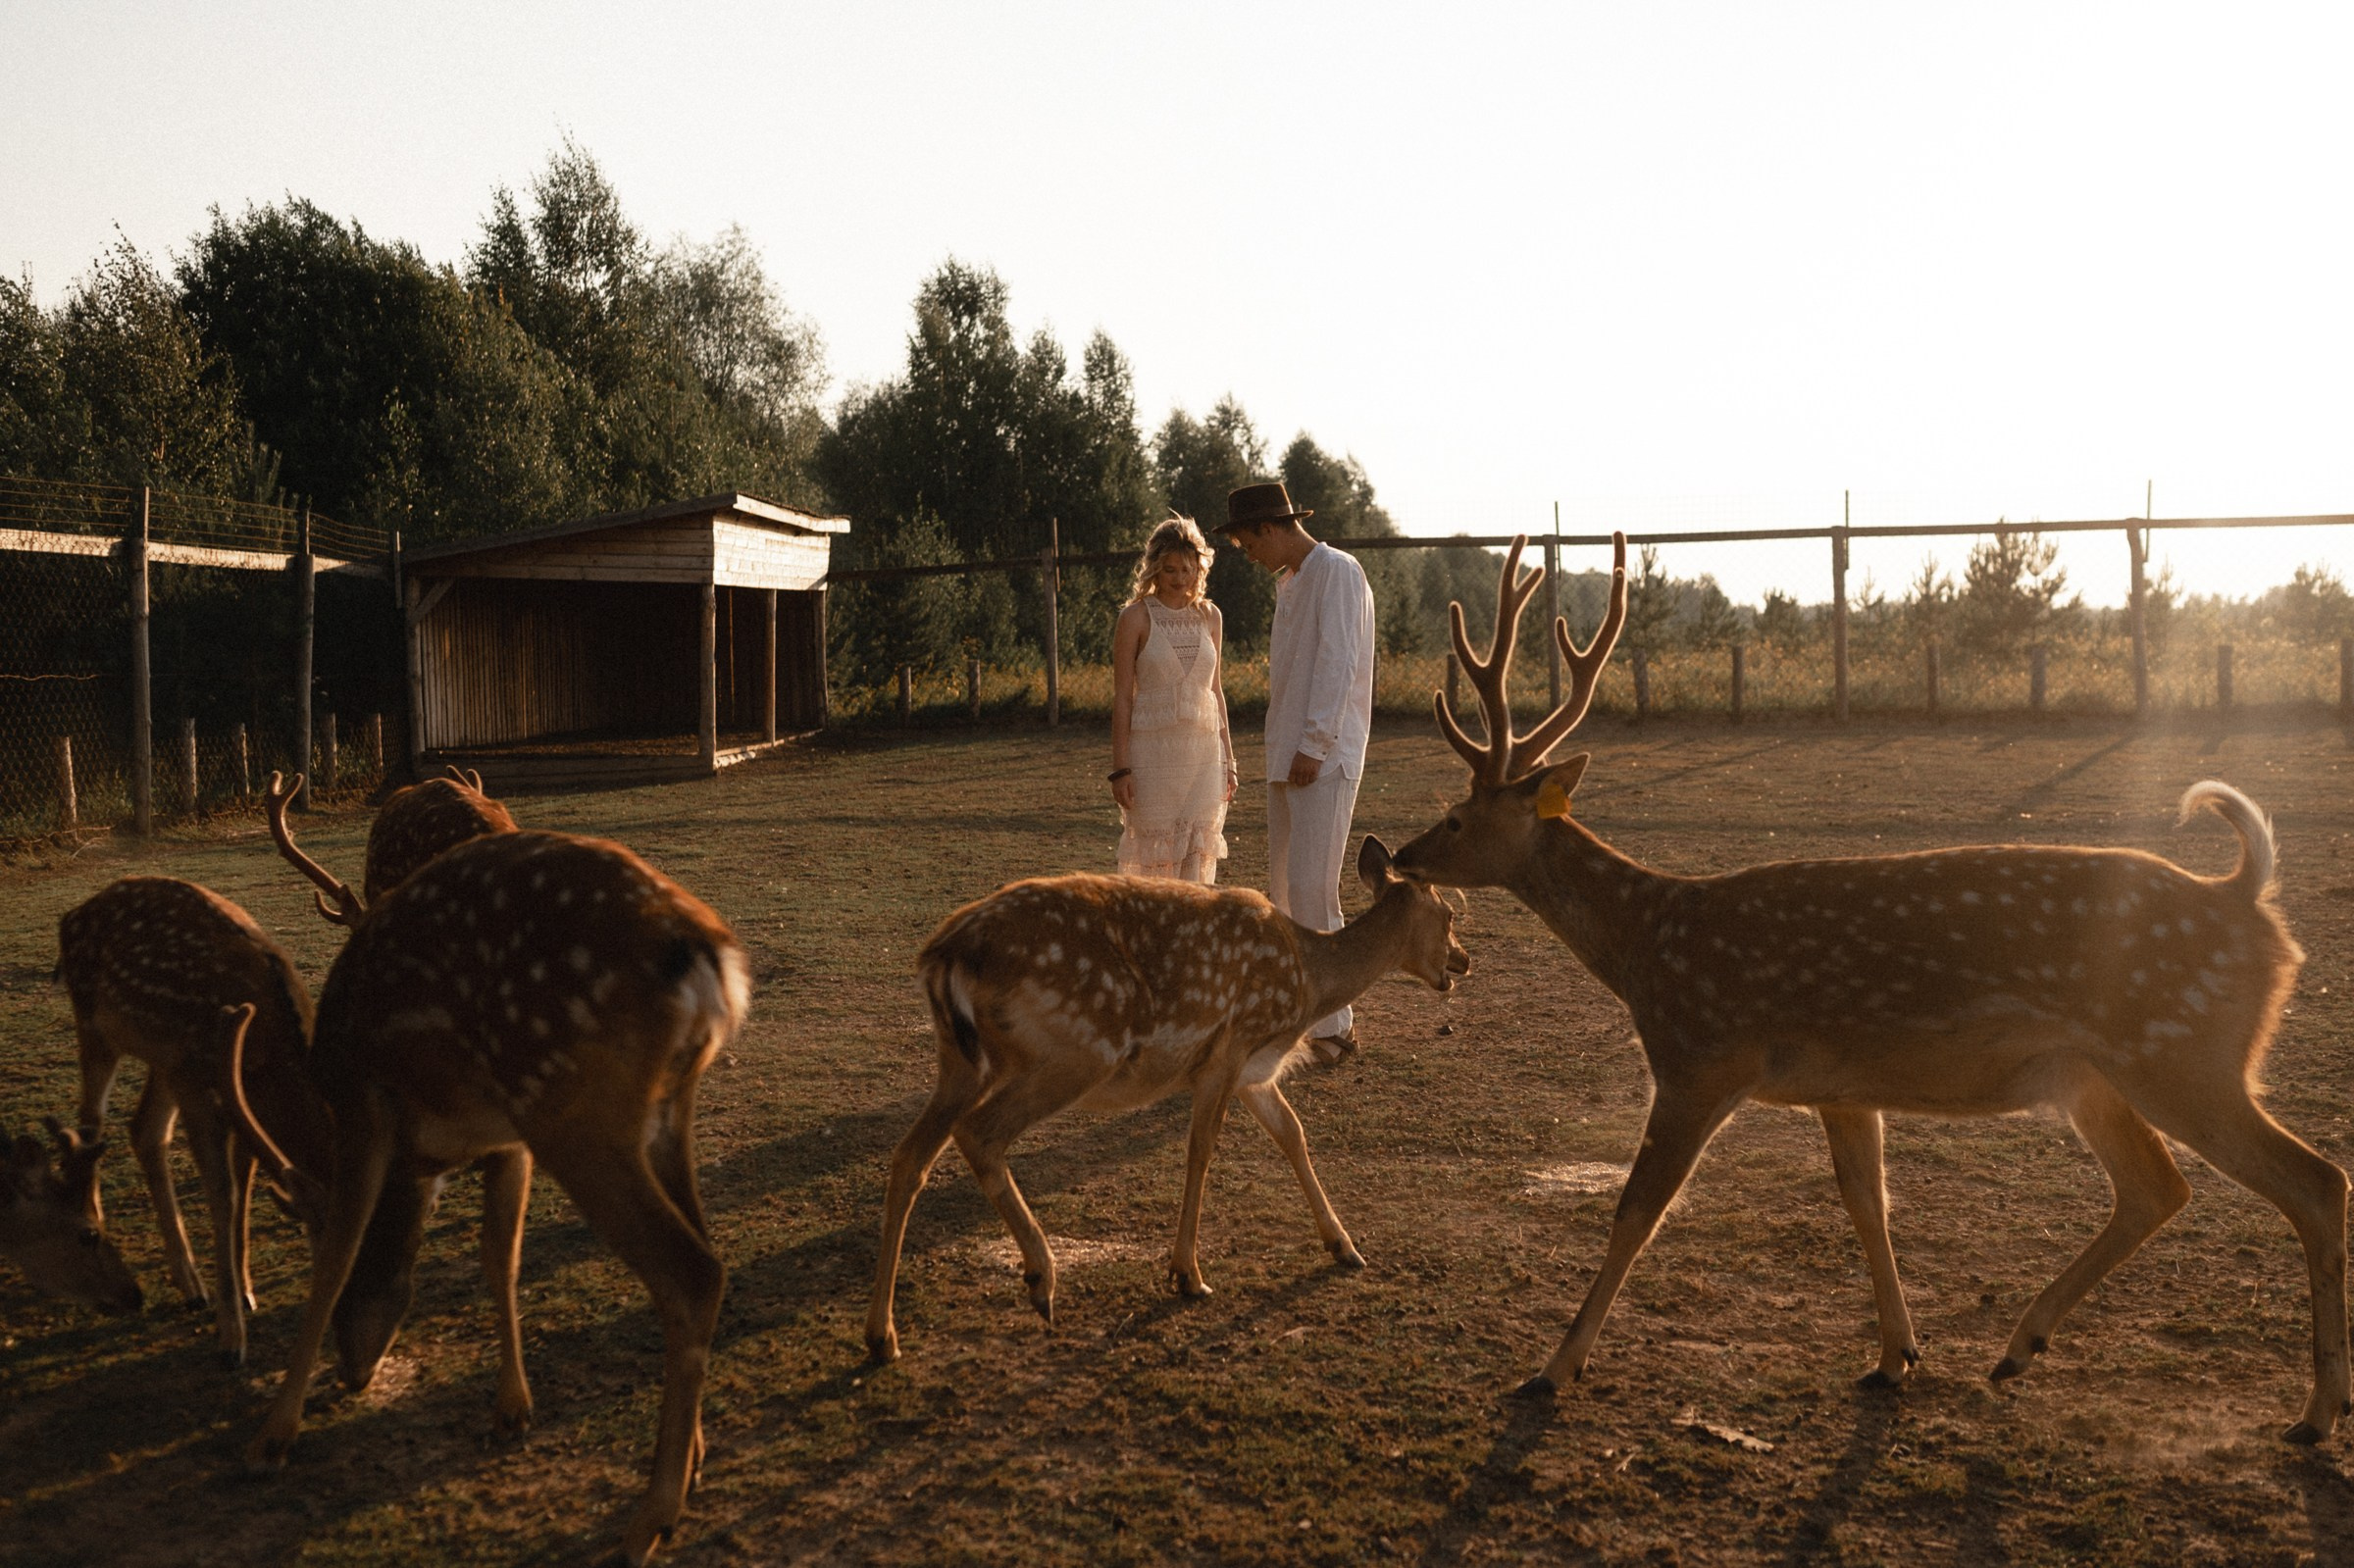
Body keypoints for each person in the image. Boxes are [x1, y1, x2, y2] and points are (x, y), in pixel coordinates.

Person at [1211, 481, 1375, 1064]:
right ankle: (1295, 1017)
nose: (1247, 555)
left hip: (1323, 757)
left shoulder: (1337, 570)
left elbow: (1339, 659)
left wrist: (1314, 742)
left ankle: (1334, 1027)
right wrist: (1286, 748)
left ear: (1270, 529)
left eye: (1246, 542)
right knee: (1284, 892)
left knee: (1313, 889)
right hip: (1289, 755)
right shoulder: (1293, 581)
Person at [1109, 514, 1237, 883]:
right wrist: (1120, 769)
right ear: (1154, 570)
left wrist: (1229, 760)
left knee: (1195, 858)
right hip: (1152, 760)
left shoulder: (1211, 616)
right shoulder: (1134, 618)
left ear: (1200, 568)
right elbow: (1122, 698)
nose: (1180, 579)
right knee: (1154, 865)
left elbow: (1216, 691)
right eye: (1170, 570)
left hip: (1203, 759)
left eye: (1188, 569)